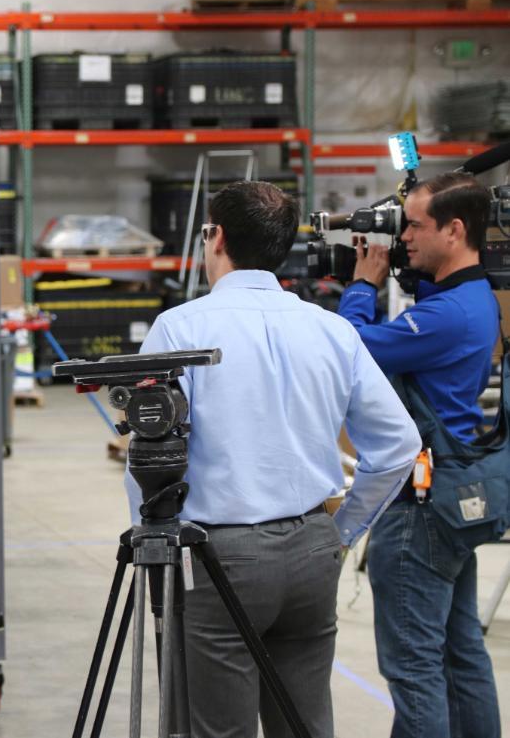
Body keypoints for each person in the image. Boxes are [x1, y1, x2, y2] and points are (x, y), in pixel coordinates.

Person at [123, 180, 420, 738]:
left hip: (219, 556)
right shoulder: (331, 329)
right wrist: (343, 531)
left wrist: (152, 547)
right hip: (312, 549)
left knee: (217, 728)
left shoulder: (182, 328)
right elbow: (399, 443)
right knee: (304, 724)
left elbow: (149, 452)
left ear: (216, 238)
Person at [338, 171, 501, 738]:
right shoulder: (470, 299)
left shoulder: (444, 316)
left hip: (419, 511)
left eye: (413, 224)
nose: (402, 236)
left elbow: (348, 344)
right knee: (461, 655)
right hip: (452, 498)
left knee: (414, 670)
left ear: (454, 230)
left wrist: (361, 286)